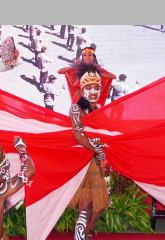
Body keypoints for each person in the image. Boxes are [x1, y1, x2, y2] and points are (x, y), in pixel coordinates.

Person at [68, 70, 110, 240]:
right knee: (86, 203)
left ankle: (87, 231)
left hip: (100, 161)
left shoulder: (100, 109)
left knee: (99, 203)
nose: (93, 92)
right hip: (84, 161)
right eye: (89, 88)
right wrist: (97, 150)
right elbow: (78, 135)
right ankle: (82, 233)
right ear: (82, 89)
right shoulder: (76, 108)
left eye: (96, 88)